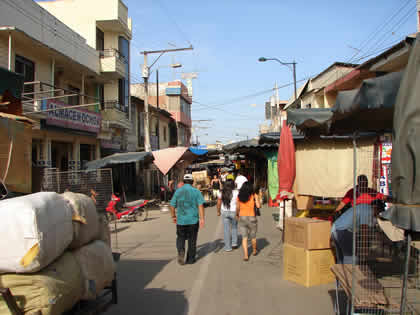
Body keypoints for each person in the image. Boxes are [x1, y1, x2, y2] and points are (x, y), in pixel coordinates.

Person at [170, 174, 205, 265]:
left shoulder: (178, 191)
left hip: (181, 220)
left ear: (184, 181)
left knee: (180, 237)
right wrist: (202, 218)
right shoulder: (197, 191)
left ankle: (181, 251)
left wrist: (173, 216)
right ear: (192, 182)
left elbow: (172, 205)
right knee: (192, 239)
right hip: (193, 221)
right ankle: (191, 259)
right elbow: (200, 206)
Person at [236, 182, 261, 261]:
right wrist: (258, 197)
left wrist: (237, 215)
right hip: (252, 217)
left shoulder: (239, 197)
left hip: (242, 217)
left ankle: (246, 255)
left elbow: (237, 207)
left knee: (244, 237)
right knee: (253, 236)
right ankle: (254, 251)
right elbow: (258, 206)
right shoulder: (254, 195)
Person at [216, 179, 239, 252]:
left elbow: (219, 203)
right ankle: (234, 243)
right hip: (234, 211)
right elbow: (238, 204)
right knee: (234, 227)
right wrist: (238, 213)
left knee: (226, 230)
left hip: (224, 212)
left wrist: (218, 211)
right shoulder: (236, 192)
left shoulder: (221, 192)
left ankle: (228, 247)